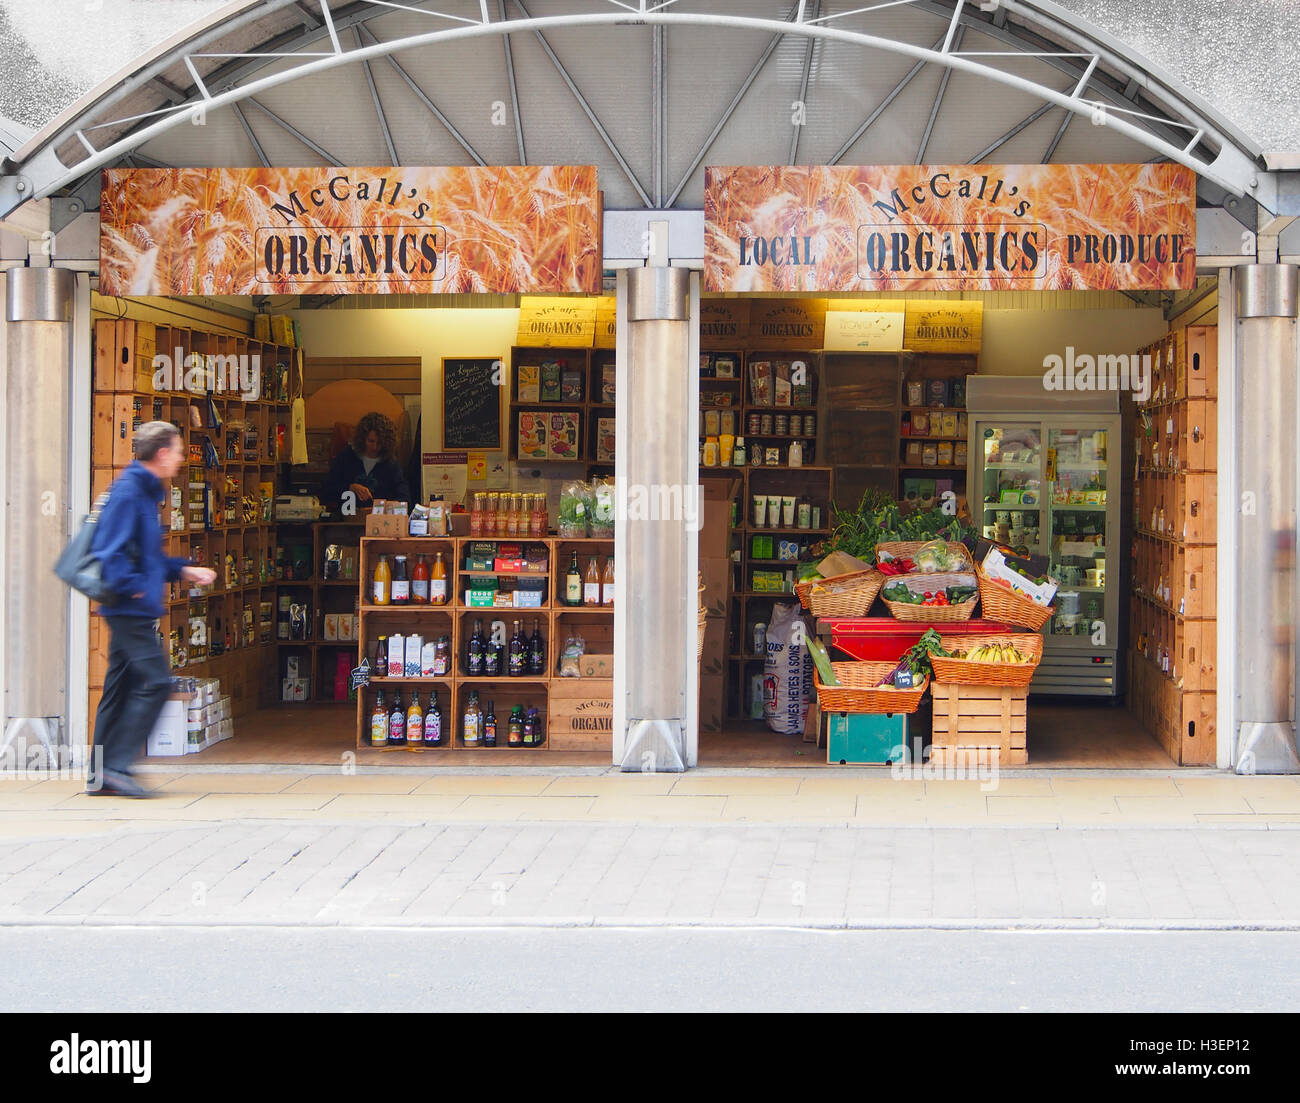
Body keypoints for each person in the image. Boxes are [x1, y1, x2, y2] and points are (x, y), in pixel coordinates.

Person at [89, 421, 216, 797]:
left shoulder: (143, 492)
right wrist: (131, 593)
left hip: (131, 604)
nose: (180, 459)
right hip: (130, 608)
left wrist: (183, 569)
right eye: (177, 451)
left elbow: (145, 557)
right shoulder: (129, 494)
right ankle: (116, 766)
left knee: (117, 689)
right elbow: (108, 553)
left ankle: (99, 775)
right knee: (157, 682)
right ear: (161, 454)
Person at [321, 411, 411, 512]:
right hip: (347, 519)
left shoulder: (390, 463)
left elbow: (404, 497)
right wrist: (350, 487)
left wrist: (389, 505)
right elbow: (326, 491)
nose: (375, 447)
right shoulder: (346, 456)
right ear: (362, 439)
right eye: (371, 441)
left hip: (379, 521)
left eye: (380, 443)